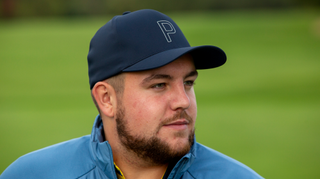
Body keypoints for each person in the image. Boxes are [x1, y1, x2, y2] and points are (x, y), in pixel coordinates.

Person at [0, 9, 263, 179]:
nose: (183, 101)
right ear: (107, 99)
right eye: (159, 85)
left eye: (189, 83)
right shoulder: (30, 174)